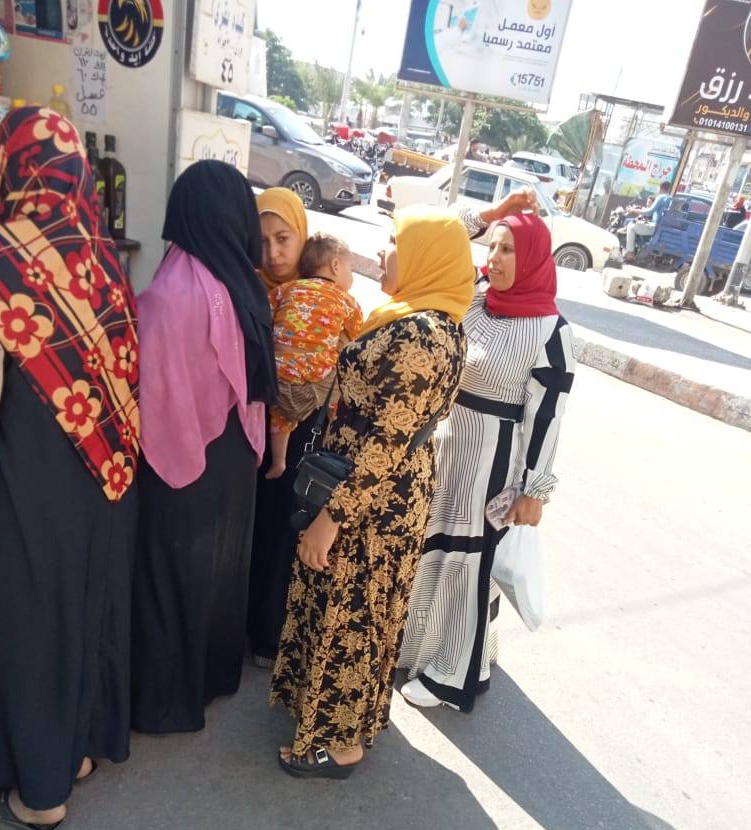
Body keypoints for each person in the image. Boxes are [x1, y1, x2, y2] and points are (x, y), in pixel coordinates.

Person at [0, 106, 139, 830]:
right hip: (106, 477)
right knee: (83, 608)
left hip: (22, 477)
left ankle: (41, 795)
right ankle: (76, 753)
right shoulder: (106, 263)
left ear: (10, 169)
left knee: (25, 622)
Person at [271, 206, 475, 778]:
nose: (383, 254)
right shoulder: (420, 319)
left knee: (353, 613)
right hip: (371, 487)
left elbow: (388, 442)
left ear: (425, 258)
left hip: (371, 500)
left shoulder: (422, 335)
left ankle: (339, 745)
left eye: (395, 244)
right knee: (350, 607)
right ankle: (332, 719)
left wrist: (331, 518)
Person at [398, 190, 576, 713]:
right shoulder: (475, 295)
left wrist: (533, 490)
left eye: (508, 250)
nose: (494, 258)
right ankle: (418, 648)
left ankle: (454, 675)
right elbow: (445, 232)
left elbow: (547, 418)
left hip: (491, 458)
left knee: (468, 562)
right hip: (445, 442)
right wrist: (496, 214)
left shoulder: (551, 331)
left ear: (534, 258)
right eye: (492, 247)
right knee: (429, 547)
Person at [130, 161, 277, 734]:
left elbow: (154, 392)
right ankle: (214, 676)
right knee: (219, 566)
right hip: (235, 451)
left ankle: (167, 700)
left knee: (171, 571)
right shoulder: (243, 283)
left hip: (183, 449)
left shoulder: (171, 290)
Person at [247, 187, 313, 668]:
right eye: (263, 240)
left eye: (283, 238)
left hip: (302, 432)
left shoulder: (322, 288)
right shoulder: (247, 286)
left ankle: (271, 635)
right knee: (251, 527)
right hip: (251, 427)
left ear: (302, 235)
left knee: (283, 530)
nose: (273, 252)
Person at [266, 232, 362, 480]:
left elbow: (267, 314)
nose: (351, 277)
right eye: (350, 269)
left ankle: (278, 461)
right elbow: (356, 337)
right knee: (336, 389)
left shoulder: (285, 289)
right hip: (316, 371)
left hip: (278, 368)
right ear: (336, 265)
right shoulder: (347, 301)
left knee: (280, 417)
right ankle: (329, 429)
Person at [624, 180, 672, 260]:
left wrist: (633, 210)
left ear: (661, 188)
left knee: (630, 227)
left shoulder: (661, 197)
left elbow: (649, 212)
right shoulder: (670, 198)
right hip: (660, 227)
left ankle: (630, 253)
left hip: (654, 227)